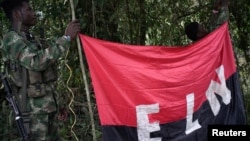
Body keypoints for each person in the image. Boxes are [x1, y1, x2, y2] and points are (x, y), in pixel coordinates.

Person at [0, 0, 80, 140]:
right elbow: (36, 62)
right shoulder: (11, 40)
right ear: (17, 14)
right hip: (32, 112)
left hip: (47, 108)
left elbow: (45, 76)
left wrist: (58, 103)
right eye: (29, 10)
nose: (34, 13)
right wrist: (66, 38)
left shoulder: (31, 39)